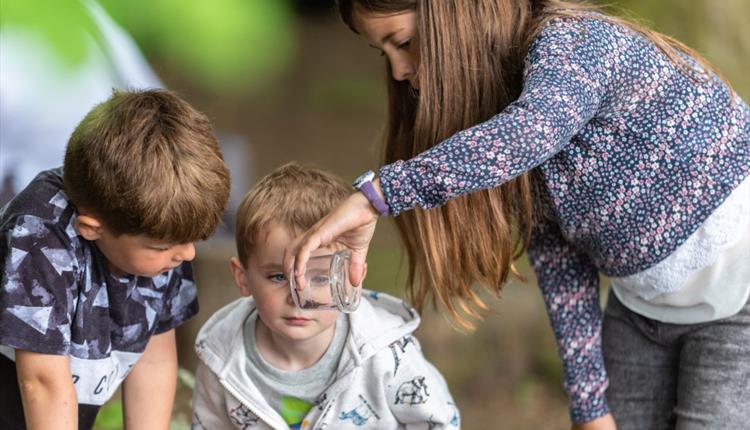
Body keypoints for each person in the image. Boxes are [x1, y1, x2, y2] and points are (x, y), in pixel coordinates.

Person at [284, 1, 750, 429]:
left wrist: (380, 193)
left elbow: (528, 134)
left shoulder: (576, 43)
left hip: (738, 299)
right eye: (382, 53)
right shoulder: (508, 115)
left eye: (403, 43)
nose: (400, 71)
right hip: (642, 309)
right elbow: (562, 264)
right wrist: (591, 407)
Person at [0, 89, 231, 429]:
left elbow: (152, 359)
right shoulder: (39, 237)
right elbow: (43, 383)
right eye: (164, 246)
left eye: (193, 240)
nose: (187, 254)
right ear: (92, 229)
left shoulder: (162, 240)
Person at [192, 163, 459, 429]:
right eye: (279, 277)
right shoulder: (220, 357)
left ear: (354, 277)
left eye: (320, 277)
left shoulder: (386, 356)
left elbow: (439, 422)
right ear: (243, 278)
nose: (298, 297)